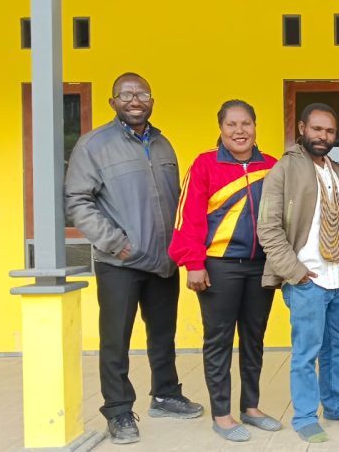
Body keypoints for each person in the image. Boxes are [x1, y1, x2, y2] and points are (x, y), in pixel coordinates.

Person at [65, 72, 202, 445]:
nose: (135, 100)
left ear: (152, 100)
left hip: (163, 261)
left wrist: (179, 248)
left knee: (163, 335)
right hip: (120, 263)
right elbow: (78, 201)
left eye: (142, 93)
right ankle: (119, 411)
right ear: (113, 102)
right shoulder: (94, 145)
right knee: (116, 340)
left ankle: (166, 394)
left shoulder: (162, 145)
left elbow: (177, 201)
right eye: (125, 94)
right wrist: (116, 243)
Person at [168, 99, 281, 442]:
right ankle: (222, 414)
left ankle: (251, 406)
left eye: (246, 123)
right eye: (231, 124)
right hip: (218, 268)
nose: (239, 131)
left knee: (254, 339)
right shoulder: (204, 165)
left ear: (255, 127)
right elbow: (188, 218)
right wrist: (193, 264)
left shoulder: (272, 166)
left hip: (260, 267)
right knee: (218, 341)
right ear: (220, 129)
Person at [257, 103, 339, 443]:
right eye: (317, 129)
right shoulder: (284, 170)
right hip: (308, 280)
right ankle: (305, 416)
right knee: (306, 351)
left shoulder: (338, 169)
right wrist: (296, 272)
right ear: (302, 128)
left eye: (330, 132)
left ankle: (335, 404)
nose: (323, 136)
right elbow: (268, 229)